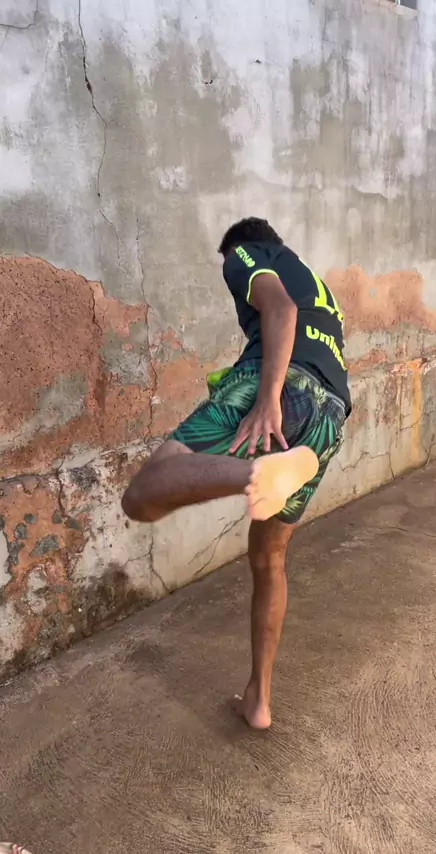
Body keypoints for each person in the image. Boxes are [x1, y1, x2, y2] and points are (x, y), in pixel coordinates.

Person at [122, 217, 351, 729]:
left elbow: (280, 310)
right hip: (330, 416)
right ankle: (259, 701)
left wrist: (268, 398)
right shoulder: (315, 283)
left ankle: (257, 474)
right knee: (269, 557)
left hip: (281, 389)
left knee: (141, 494)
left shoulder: (247, 255)